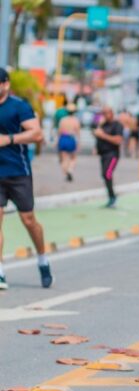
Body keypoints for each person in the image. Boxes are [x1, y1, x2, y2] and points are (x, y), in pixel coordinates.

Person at [0, 68, 53, 289]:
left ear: (5, 84)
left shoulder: (19, 106)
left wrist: (9, 139)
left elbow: (37, 134)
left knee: (28, 220)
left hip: (18, 172)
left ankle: (42, 259)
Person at [93, 107, 124, 208]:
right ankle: (111, 195)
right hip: (103, 154)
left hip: (113, 154)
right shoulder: (103, 125)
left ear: (111, 113)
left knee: (107, 173)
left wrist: (103, 136)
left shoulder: (117, 125)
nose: (105, 115)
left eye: (106, 113)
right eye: (103, 113)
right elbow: (97, 135)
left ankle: (112, 197)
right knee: (104, 175)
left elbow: (118, 140)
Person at [57, 104, 80, 182]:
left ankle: (66, 172)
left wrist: (57, 141)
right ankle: (70, 170)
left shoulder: (63, 120)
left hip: (63, 138)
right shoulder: (76, 120)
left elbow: (59, 132)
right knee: (73, 157)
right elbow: (77, 133)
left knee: (64, 158)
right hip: (71, 138)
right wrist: (78, 143)